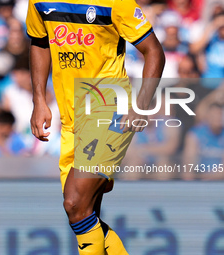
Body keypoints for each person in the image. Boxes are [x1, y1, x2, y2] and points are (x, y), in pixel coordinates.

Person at [26, 0, 165, 254]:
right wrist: (38, 100)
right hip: (70, 118)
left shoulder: (116, 2)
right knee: (85, 213)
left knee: (75, 203)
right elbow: (39, 41)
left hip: (109, 108)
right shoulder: (38, 2)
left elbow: (154, 50)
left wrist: (142, 104)